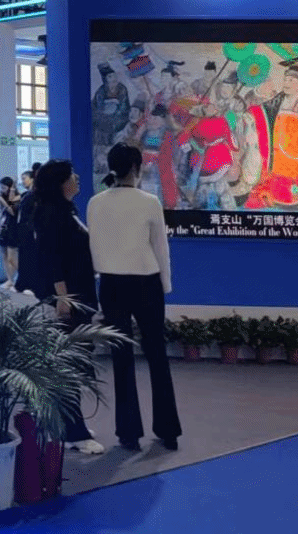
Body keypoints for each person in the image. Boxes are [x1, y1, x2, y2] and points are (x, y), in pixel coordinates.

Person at [87, 142, 181, 453]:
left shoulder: (95, 203)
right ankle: (168, 430)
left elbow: (95, 247)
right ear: (137, 168)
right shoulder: (149, 202)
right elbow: (160, 249)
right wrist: (165, 285)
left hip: (111, 285)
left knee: (121, 359)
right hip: (146, 283)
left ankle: (128, 433)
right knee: (157, 355)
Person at [22, 159, 104, 455]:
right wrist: (62, 296)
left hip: (81, 293)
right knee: (69, 365)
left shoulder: (68, 210)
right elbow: (51, 257)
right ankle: (73, 431)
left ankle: (69, 426)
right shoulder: (51, 213)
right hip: (68, 298)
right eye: (71, 175)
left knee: (75, 363)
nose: (77, 178)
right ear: (60, 182)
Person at [0, 176, 21, 288]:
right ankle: (10, 280)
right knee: (3, 255)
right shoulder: (2, 197)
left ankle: (24, 277)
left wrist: (3, 202)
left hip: (12, 228)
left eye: (4, 187)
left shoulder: (17, 197)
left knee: (11, 257)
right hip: (3, 227)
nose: (2, 189)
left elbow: (12, 212)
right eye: (1, 187)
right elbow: (2, 213)